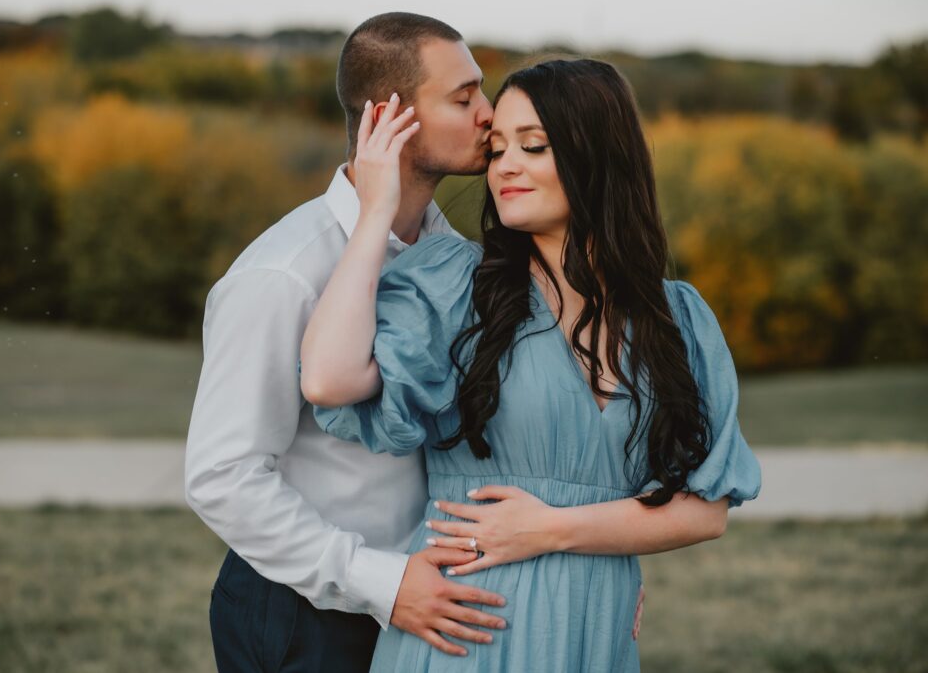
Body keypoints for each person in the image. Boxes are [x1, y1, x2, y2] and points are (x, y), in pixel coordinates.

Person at [300, 58, 762, 671]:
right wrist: (376, 210)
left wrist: (553, 530)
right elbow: (328, 379)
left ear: (598, 157)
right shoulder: (457, 286)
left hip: (597, 629)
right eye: (496, 151)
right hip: (469, 627)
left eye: (533, 146)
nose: (505, 167)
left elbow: (704, 512)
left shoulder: (677, 318)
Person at [184, 13, 509, 672]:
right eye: (465, 96)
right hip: (308, 616)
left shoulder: (453, 258)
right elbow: (222, 477)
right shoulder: (283, 274)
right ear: (392, 119)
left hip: (427, 603)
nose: (490, 115)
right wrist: (382, 583)